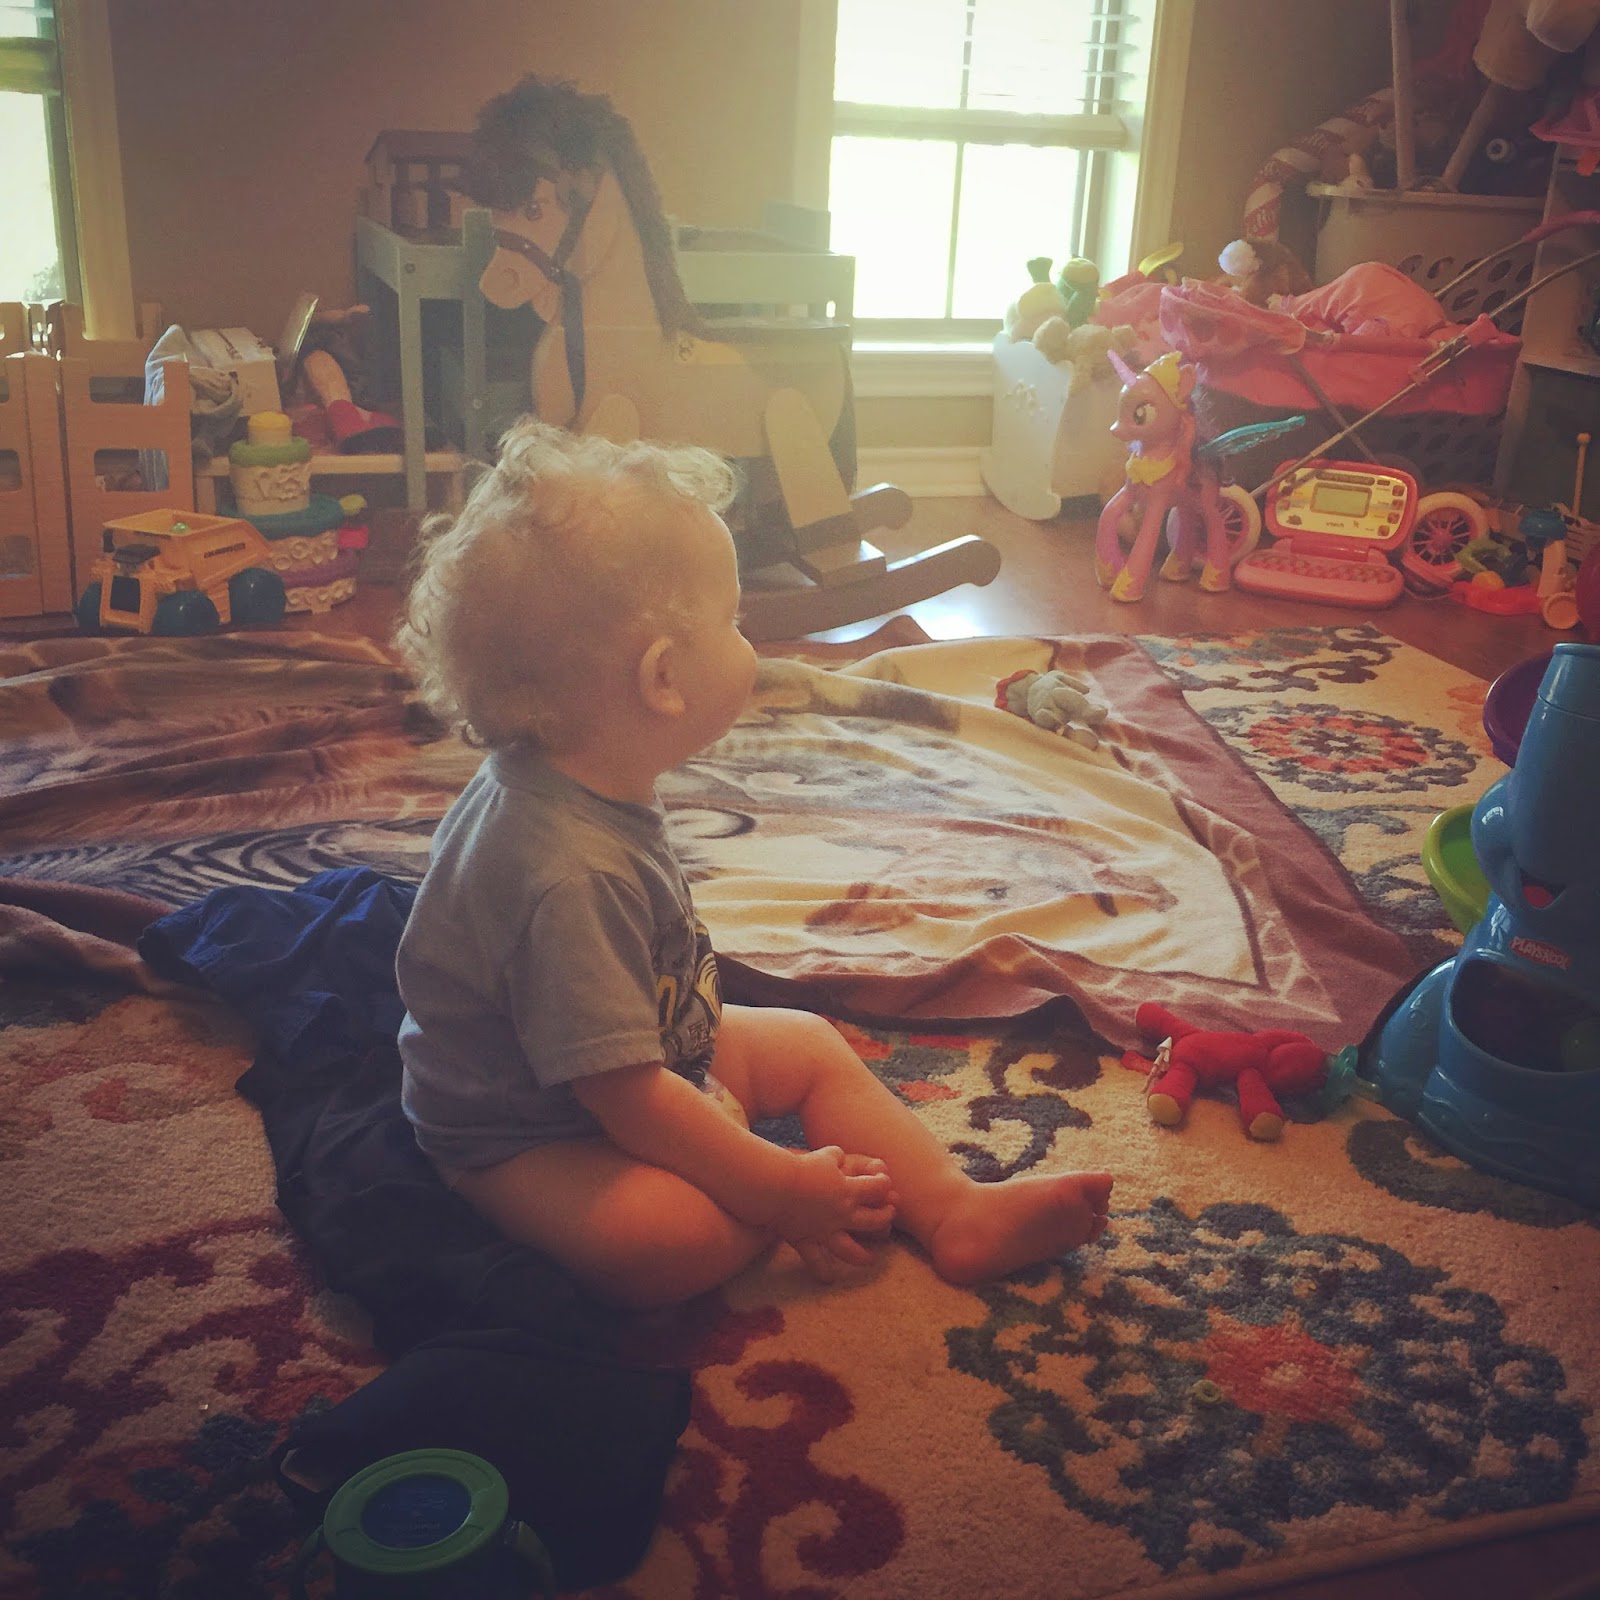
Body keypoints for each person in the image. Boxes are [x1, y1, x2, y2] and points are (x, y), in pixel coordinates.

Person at [394, 420, 1114, 1310]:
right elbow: (623, 1100)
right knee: (674, 1240)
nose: (752, 642)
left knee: (804, 1043)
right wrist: (778, 1192)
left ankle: (953, 1210)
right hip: (527, 1132)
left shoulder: (582, 775)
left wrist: (715, 1120)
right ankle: (765, 1201)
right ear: (663, 680)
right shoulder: (568, 873)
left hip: (644, 1057)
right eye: (734, 621)